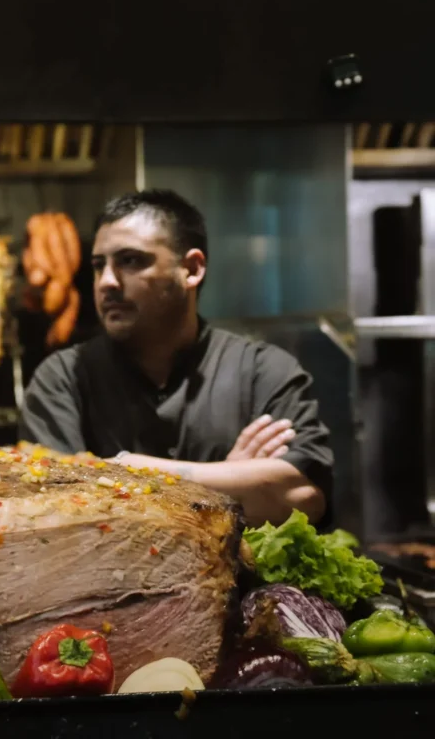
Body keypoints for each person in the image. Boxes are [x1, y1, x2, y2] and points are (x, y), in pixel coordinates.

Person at [18, 189, 332, 527]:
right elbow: (58, 517)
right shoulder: (62, 379)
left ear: (192, 268)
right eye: (98, 266)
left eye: (131, 260)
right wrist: (227, 483)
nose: (106, 282)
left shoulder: (264, 372)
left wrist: (128, 468)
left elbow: (303, 499)